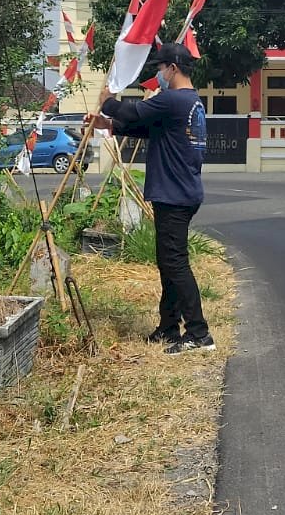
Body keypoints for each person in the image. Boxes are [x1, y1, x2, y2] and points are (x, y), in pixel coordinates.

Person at [89, 42, 212, 353]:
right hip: (182, 192)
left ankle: (198, 334)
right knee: (168, 263)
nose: (158, 73)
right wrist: (111, 126)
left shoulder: (173, 99)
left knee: (175, 263)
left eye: (160, 68)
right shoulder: (190, 102)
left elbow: (134, 111)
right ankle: (169, 327)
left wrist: (108, 103)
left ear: (172, 68)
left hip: (174, 195)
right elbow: (151, 130)